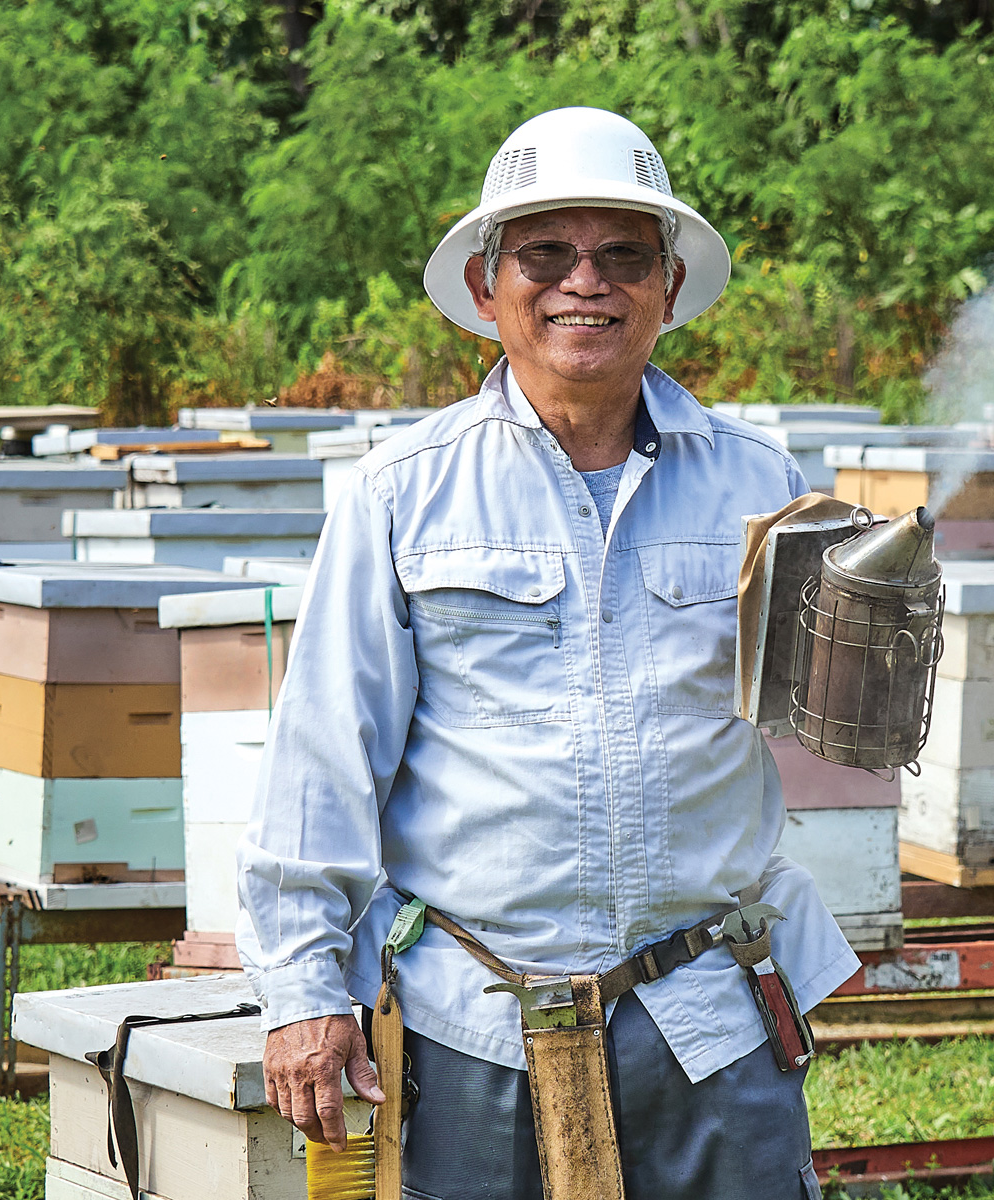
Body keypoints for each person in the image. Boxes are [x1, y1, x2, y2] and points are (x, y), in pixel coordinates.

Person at [237, 106, 858, 1200]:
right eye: (547, 255)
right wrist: (302, 988)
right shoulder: (404, 491)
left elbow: (830, 723)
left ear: (668, 286)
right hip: (472, 1022)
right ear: (488, 289)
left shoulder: (762, 482)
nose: (587, 282)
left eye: (623, 254)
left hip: (707, 1012)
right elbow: (323, 754)